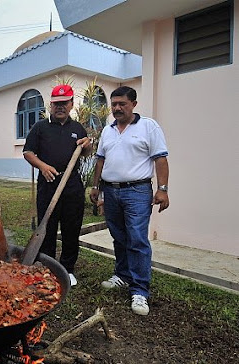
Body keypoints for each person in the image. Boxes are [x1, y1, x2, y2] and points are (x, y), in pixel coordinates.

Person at [89, 86, 169, 316]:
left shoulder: (148, 126)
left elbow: (161, 159)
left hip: (137, 191)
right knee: (119, 236)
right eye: (114, 104)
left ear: (133, 104)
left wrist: (163, 189)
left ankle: (140, 290)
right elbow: (100, 161)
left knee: (136, 238)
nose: (117, 108)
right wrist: (96, 187)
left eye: (122, 104)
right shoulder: (108, 130)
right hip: (111, 191)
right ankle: (122, 275)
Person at [23, 84, 92, 287]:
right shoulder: (40, 127)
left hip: (71, 183)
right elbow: (28, 152)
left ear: (71, 104)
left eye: (64, 103)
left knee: (72, 228)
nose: (60, 107)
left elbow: (85, 153)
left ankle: (68, 269)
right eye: (56, 103)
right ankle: (48, 266)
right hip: (49, 182)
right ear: (50, 105)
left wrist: (87, 147)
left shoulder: (77, 128)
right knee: (48, 227)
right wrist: (43, 167)